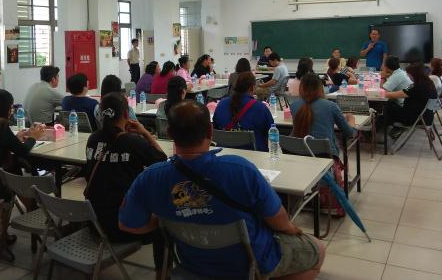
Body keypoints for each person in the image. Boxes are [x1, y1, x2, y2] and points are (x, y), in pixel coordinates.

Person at [118, 100, 325, 279]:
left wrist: (164, 220)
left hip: (191, 263)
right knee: (319, 249)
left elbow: (127, 224)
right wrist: (291, 229)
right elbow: (278, 219)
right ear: (210, 131)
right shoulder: (241, 170)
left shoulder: (150, 178)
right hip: (250, 262)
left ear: (170, 134)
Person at [85, 93, 167, 277]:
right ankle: (162, 275)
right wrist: (145, 133)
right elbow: (163, 162)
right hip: (124, 224)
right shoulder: (134, 142)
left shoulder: (93, 139)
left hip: (94, 221)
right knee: (164, 227)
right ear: (126, 113)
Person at [290, 74, 354, 159]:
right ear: (321, 88)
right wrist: (351, 120)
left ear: (301, 88)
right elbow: (349, 133)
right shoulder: (331, 106)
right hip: (326, 155)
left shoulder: (294, 105)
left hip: (300, 154)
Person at [213, 71, 274, 151]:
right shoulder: (260, 108)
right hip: (254, 153)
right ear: (252, 87)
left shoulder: (222, 103)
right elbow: (272, 131)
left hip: (225, 152)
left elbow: (216, 127)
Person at [384, 63, 438, 139]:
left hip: (413, 118)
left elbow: (394, 95)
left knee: (386, 107)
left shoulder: (416, 87)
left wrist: (379, 92)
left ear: (415, 74)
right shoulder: (428, 83)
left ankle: (383, 131)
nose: (408, 76)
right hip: (427, 117)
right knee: (391, 104)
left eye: (408, 74)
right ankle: (393, 129)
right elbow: (403, 91)